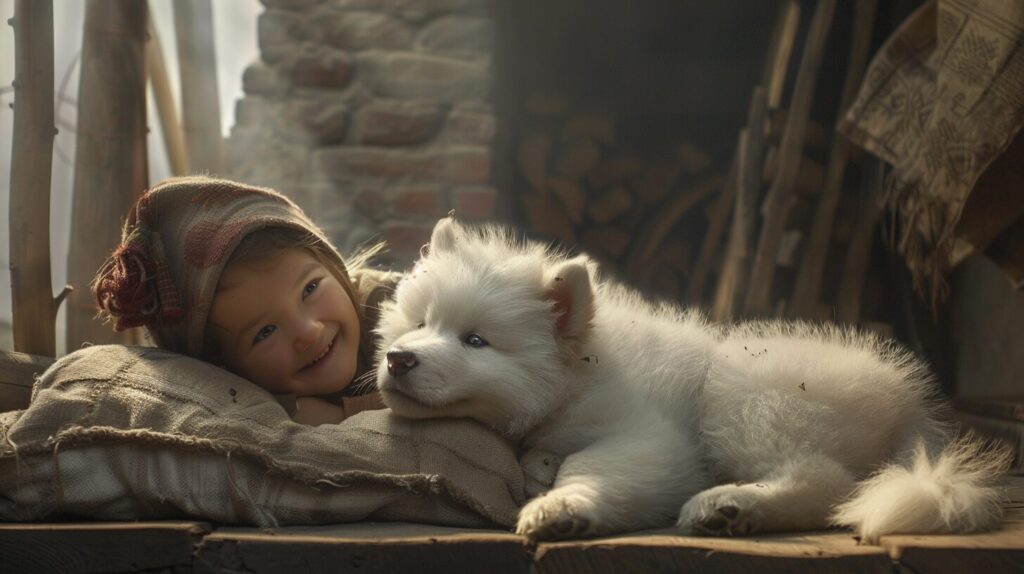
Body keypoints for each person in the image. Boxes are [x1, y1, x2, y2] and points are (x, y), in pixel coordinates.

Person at [92, 176, 399, 425]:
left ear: (333, 265)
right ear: (226, 367)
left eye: (310, 289)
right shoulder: (252, 404)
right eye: (265, 332)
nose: (308, 332)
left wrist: (344, 415)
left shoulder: (401, 308)